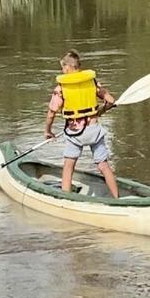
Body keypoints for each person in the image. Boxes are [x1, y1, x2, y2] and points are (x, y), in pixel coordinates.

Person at [44, 50, 119, 198]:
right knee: (103, 165)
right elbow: (111, 100)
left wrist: (48, 131)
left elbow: (51, 113)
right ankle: (116, 198)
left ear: (66, 68)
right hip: (94, 130)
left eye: (62, 69)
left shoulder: (60, 89)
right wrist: (101, 111)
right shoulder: (92, 82)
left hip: (75, 133)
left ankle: (66, 198)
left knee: (69, 165)